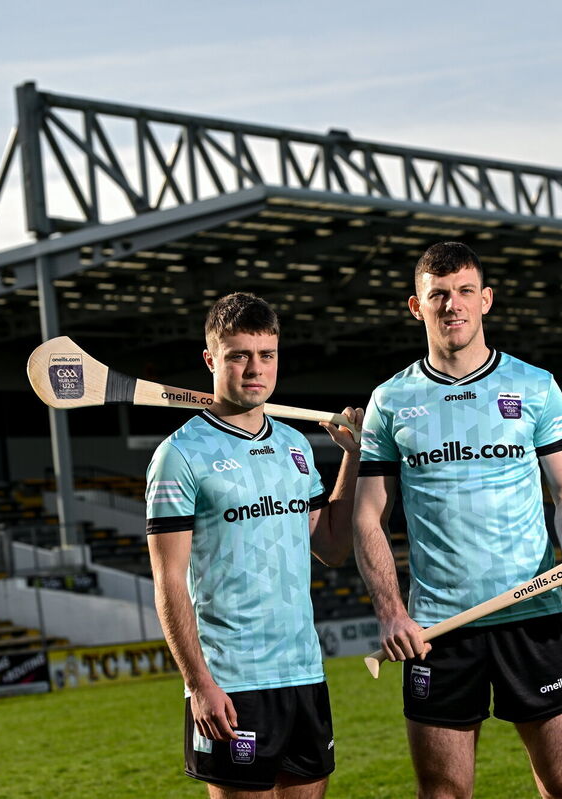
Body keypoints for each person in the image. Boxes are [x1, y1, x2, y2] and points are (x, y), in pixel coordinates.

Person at [353, 241, 562, 799]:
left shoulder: (535, 385)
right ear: (416, 306)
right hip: (437, 631)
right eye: (438, 295)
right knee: (443, 792)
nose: (453, 305)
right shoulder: (390, 400)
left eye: (465, 291)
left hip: (533, 614)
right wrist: (391, 612)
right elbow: (368, 517)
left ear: (486, 299)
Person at [146, 292, 362, 798]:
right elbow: (168, 579)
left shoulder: (294, 446)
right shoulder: (180, 455)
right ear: (211, 360)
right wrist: (199, 684)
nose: (254, 369)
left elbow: (332, 547)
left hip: (303, 670)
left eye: (266, 355)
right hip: (232, 680)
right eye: (238, 355)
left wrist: (351, 458)